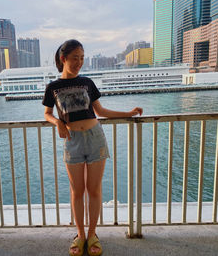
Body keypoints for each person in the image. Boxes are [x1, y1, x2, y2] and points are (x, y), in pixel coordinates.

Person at [42, 39, 143, 256]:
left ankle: (93, 234)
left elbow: (101, 111)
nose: (79, 62)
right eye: (75, 58)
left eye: (82, 58)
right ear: (63, 59)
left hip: (95, 137)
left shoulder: (87, 82)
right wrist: (58, 122)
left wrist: (129, 113)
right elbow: (47, 114)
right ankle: (80, 235)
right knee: (77, 191)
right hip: (72, 141)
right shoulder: (53, 87)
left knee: (94, 190)